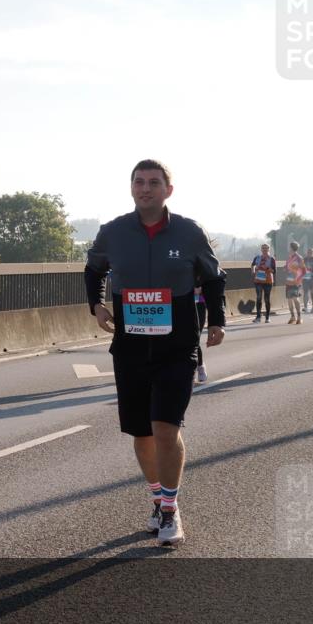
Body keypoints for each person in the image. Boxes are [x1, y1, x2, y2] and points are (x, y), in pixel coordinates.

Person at [86, 159, 226, 547]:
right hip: (130, 348)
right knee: (142, 433)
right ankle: (157, 500)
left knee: (166, 428)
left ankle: (170, 509)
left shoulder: (189, 232)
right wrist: (97, 305)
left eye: (153, 182)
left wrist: (217, 321)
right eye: (139, 182)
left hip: (176, 347)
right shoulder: (113, 232)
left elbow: (214, 278)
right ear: (131, 188)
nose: (145, 188)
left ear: (168, 190)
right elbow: (93, 270)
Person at [251, 243, 277, 323]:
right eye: (263, 248)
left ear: (269, 249)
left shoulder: (271, 259)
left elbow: (274, 271)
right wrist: (253, 271)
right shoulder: (257, 257)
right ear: (261, 249)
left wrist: (267, 268)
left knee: (266, 299)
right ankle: (258, 317)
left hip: (268, 281)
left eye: (266, 248)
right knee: (259, 298)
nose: (265, 249)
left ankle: (267, 317)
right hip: (258, 280)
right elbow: (253, 265)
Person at [284, 241, 305, 324]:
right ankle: (293, 317)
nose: (288, 248)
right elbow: (287, 268)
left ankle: (299, 317)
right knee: (289, 299)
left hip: (296, 282)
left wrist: (298, 279)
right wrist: (285, 268)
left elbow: (304, 270)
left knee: (295, 298)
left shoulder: (299, 258)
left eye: (289, 247)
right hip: (289, 281)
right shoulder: (289, 258)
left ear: (291, 248)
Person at [194, 285, 208, 383]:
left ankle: (200, 366)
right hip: (180, 303)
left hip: (199, 303)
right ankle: (190, 369)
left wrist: (202, 288)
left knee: (195, 338)